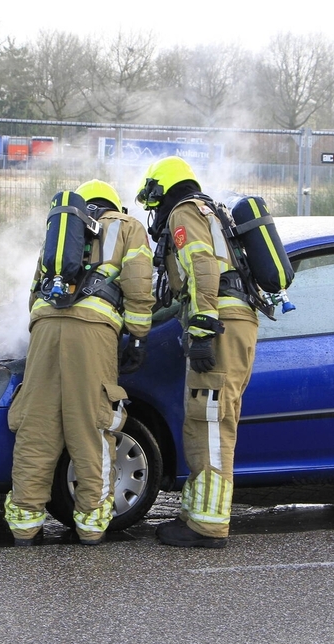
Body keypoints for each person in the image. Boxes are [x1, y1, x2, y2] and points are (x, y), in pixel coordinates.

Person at [3, 179, 154, 546]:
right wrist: (137, 334)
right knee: (91, 427)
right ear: (114, 205)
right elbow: (138, 283)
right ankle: (90, 524)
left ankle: (24, 523)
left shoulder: (60, 235)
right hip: (92, 333)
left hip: (44, 327)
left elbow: (35, 289)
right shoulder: (127, 226)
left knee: (37, 427)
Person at [135, 156, 259, 549]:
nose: (153, 211)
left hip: (219, 323)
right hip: (231, 321)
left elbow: (202, 266)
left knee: (210, 423)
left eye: (152, 201)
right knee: (204, 420)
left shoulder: (184, 212)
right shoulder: (209, 211)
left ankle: (208, 526)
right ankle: (197, 512)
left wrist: (203, 327)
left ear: (161, 190)